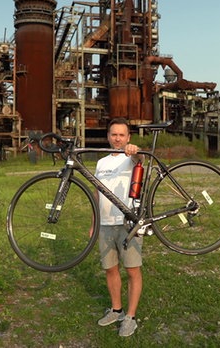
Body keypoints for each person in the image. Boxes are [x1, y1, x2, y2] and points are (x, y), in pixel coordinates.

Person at [94, 117, 143, 337]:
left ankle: (131, 317)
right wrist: (94, 222)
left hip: (127, 224)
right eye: (114, 134)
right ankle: (117, 310)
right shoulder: (101, 162)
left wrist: (136, 151)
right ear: (108, 136)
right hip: (104, 224)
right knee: (110, 269)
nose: (117, 139)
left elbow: (141, 159)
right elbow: (96, 193)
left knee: (132, 270)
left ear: (128, 137)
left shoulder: (130, 158)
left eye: (122, 135)